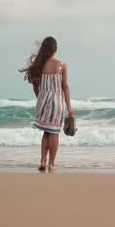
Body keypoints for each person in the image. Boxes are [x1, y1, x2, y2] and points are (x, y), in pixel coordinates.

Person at [19, 36, 74, 172]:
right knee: (54, 133)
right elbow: (65, 87)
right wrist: (69, 106)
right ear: (55, 49)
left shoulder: (38, 65)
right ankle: (52, 164)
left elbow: (35, 86)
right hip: (56, 101)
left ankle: (43, 161)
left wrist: (41, 98)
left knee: (46, 132)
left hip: (42, 101)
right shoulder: (61, 65)